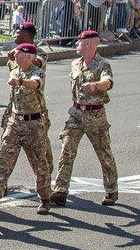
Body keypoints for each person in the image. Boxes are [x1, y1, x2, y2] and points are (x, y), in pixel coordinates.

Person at [51, 30, 118, 207]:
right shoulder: (75, 63)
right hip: (76, 113)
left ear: (88, 44)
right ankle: (60, 190)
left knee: (103, 152)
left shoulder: (103, 64)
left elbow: (108, 82)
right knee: (67, 150)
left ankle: (111, 190)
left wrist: (95, 86)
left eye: (79, 42)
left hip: (95, 114)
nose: (76, 45)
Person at [0, 43, 52, 215]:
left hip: (34, 124)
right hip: (15, 123)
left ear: (29, 57)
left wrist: (21, 81)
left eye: (20, 54)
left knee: (39, 163)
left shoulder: (38, 72)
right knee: (3, 160)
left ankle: (45, 198)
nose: (16, 56)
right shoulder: (14, 71)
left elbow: (36, 84)